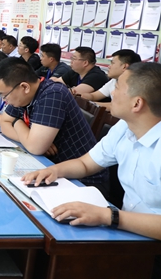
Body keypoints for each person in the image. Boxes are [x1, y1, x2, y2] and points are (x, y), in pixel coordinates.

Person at [21, 63, 161, 243]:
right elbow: (85, 164)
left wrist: (108, 216)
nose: (112, 93)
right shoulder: (124, 128)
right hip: (127, 233)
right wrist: (53, 171)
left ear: (137, 103)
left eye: (117, 87)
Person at [0, 57, 106, 187]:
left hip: (81, 180)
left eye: (4, 95)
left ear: (24, 87)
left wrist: (17, 123)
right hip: (49, 168)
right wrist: (28, 138)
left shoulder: (53, 94)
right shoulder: (23, 96)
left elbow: (35, 147)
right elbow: (5, 122)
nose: (4, 100)